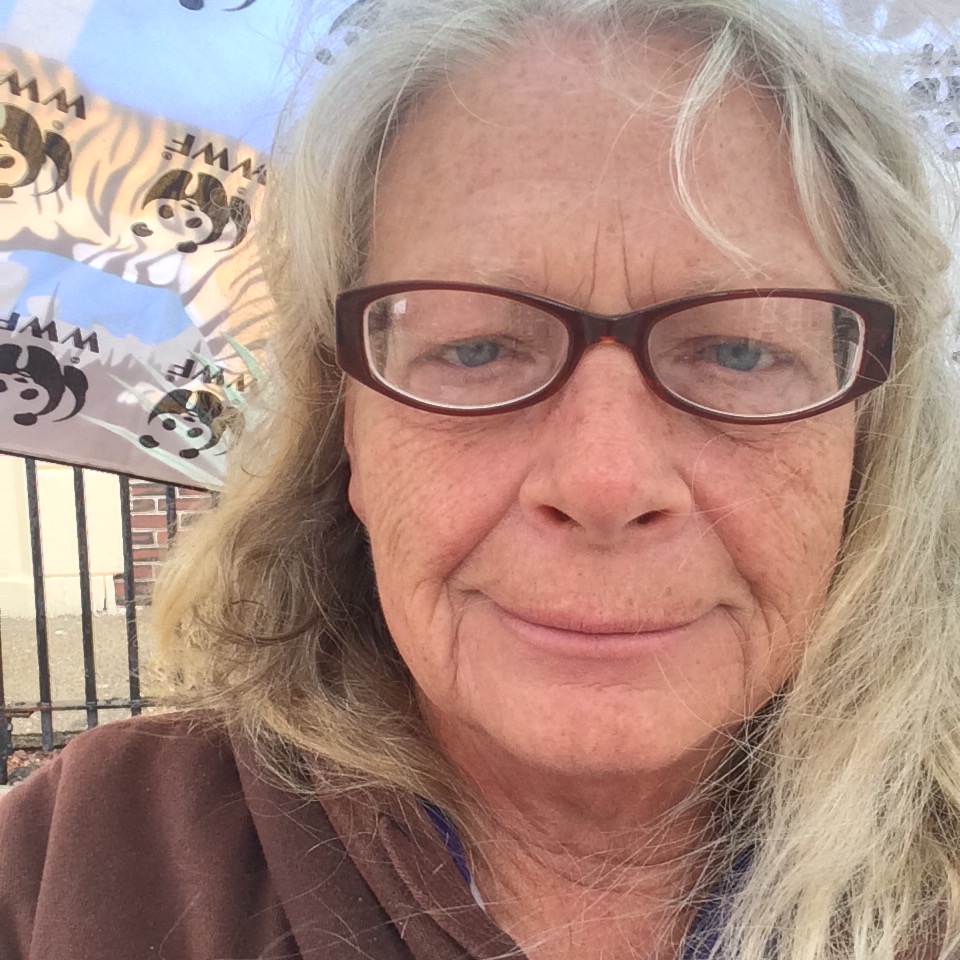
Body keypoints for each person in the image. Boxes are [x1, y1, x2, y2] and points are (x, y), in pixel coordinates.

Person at [2, 0, 959, 958]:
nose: (605, 482)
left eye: (741, 352)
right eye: (477, 348)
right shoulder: (76, 865)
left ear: (867, 441)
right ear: (347, 430)